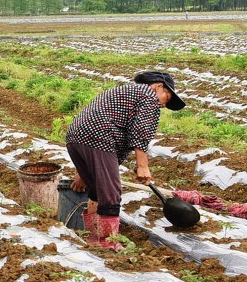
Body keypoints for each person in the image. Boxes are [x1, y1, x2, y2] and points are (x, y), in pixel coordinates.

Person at [65, 71, 186, 251]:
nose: (163, 105)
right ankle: (107, 243)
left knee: (97, 190)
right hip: (100, 137)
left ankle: (93, 238)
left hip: (75, 136)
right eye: (166, 98)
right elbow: (140, 131)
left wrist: (84, 173)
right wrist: (142, 166)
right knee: (111, 195)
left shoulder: (127, 92)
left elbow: (116, 148)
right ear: (159, 86)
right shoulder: (149, 95)